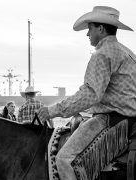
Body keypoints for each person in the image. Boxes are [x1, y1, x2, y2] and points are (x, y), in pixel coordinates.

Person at [37, 6, 136, 180]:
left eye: (90, 28)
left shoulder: (102, 54)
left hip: (112, 121)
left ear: (101, 28)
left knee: (64, 159)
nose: (87, 33)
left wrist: (53, 110)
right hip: (130, 120)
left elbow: (91, 94)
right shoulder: (127, 52)